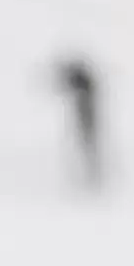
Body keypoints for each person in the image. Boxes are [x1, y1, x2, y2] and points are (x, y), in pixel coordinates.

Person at [53, 53, 105, 191]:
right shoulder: (83, 82)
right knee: (87, 146)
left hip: (85, 117)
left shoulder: (82, 83)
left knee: (87, 146)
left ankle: (92, 176)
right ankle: (90, 175)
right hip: (84, 117)